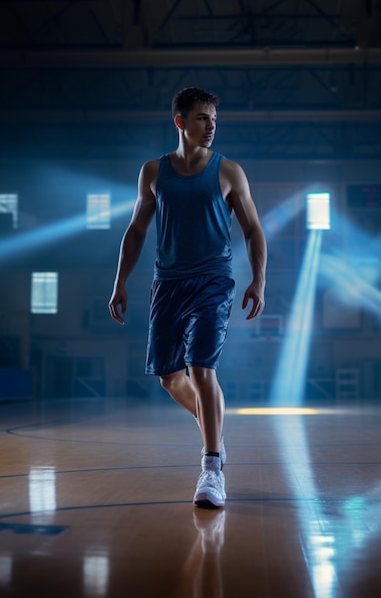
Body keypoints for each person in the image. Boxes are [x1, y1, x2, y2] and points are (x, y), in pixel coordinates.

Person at [109, 87, 267, 508]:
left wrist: (259, 280)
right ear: (180, 122)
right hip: (168, 283)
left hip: (213, 280)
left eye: (213, 118)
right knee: (169, 377)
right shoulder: (153, 172)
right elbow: (137, 230)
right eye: (201, 118)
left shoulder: (229, 171)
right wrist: (120, 281)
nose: (211, 125)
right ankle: (213, 427)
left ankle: (211, 468)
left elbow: (253, 229)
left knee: (200, 369)